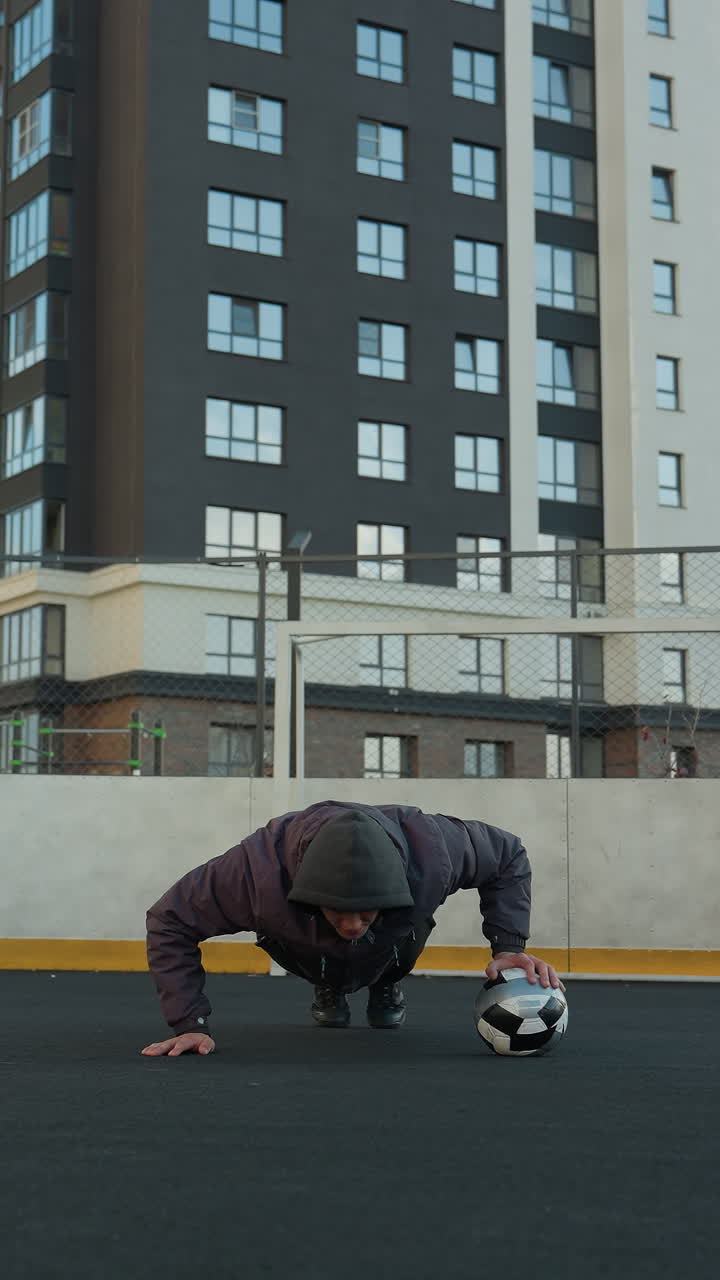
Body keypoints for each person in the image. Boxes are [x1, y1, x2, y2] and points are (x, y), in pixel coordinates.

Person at [141, 800, 565, 1057]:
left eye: (365, 913)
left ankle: (386, 980)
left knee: (397, 934)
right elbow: (169, 920)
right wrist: (190, 1023)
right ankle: (329, 984)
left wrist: (508, 946)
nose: (351, 926)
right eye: (338, 911)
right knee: (321, 946)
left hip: (395, 941)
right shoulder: (255, 873)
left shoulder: (434, 852)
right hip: (302, 943)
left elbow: (507, 856)